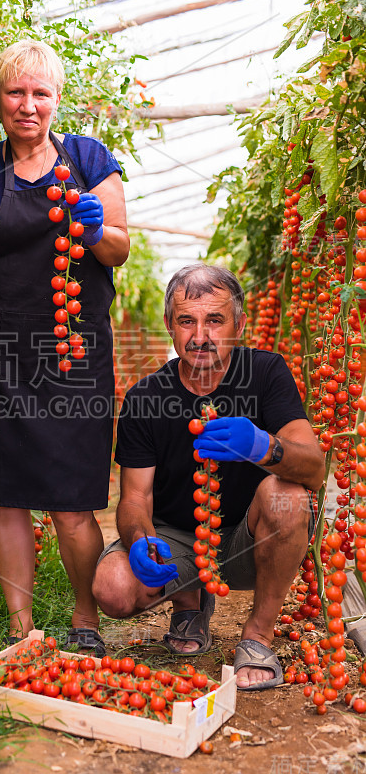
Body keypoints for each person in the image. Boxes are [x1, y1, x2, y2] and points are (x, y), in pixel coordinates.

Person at [0, 39, 129, 656]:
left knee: (72, 502)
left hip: (70, 353)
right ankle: (23, 632)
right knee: (5, 494)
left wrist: (98, 230)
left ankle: (84, 617)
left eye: (40, 93)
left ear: (56, 99)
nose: (28, 105)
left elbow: (119, 249)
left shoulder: (90, 160)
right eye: (16, 92)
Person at [92, 263, 324, 690]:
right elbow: (134, 500)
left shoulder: (267, 374)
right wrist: (139, 540)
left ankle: (257, 635)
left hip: (249, 540)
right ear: (169, 326)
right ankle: (189, 603)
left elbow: (314, 467)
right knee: (112, 587)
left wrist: (264, 447)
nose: (200, 336)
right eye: (187, 321)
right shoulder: (146, 397)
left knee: (288, 495)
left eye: (215, 320)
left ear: (239, 324)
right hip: (176, 539)